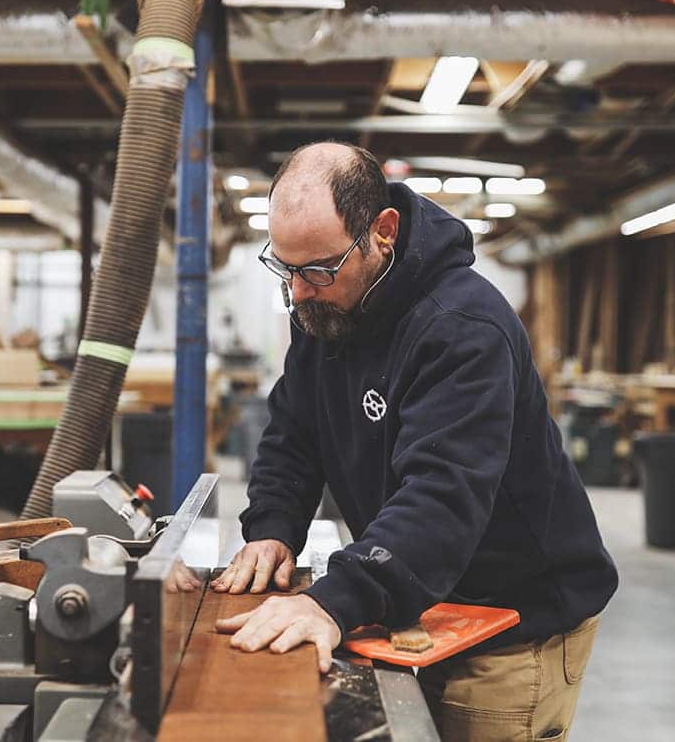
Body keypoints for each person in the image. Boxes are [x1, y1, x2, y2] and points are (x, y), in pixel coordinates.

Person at [212, 141, 618, 741]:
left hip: (508, 623)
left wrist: (334, 601)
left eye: (318, 268)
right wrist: (273, 528)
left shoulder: (462, 329)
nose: (298, 292)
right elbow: (294, 435)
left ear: (382, 231)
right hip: (421, 598)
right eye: (285, 267)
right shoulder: (325, 308)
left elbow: (442, 496)